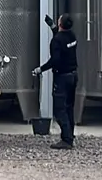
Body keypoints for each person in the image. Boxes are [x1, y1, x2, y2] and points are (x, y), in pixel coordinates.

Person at [32, 13, 78, 149]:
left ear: (60, 24)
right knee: (69, 107)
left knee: (59, 110)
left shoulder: (56, 41)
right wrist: (52, 26)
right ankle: (70, 134)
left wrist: (40, 69)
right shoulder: (72, 36)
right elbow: (61, 37)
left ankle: (67, 140)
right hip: (73, 76)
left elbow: (55, 60)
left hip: (62, 78)